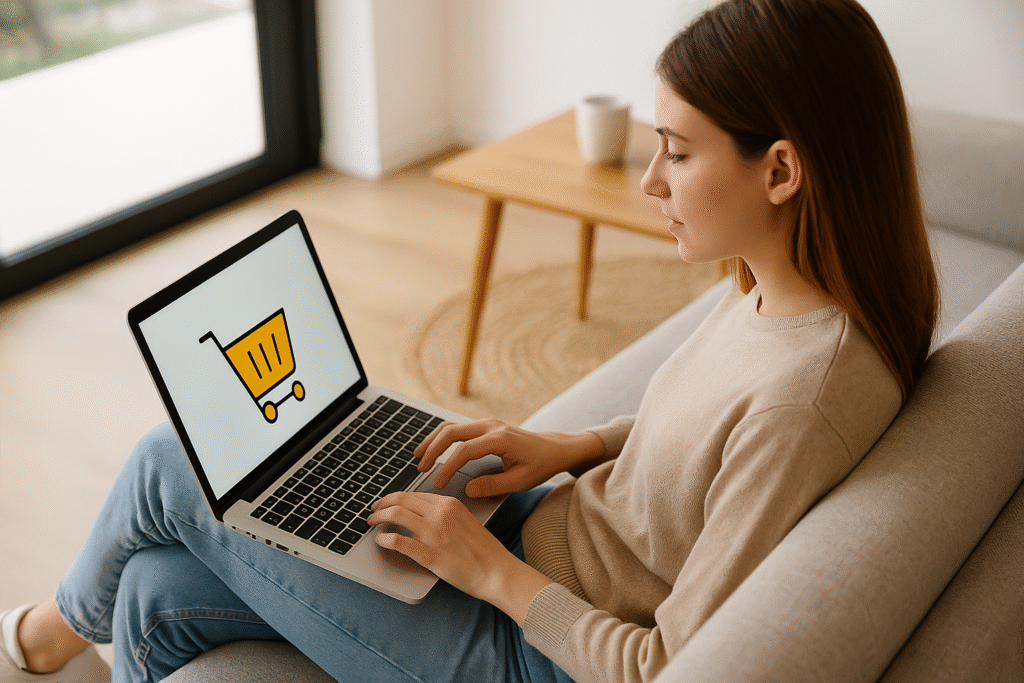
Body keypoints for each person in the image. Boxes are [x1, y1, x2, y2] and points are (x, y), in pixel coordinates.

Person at [1, 0, 939, 681]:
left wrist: (484, 568)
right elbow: (704, 448)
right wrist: (576, 444)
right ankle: (80, 638)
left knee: (176, 460)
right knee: (153, 595)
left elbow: (664, 667)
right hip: (543, 532)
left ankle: (41, 639)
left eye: (679, 151)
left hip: (537, 647)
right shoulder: (781, 291)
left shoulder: (802, 399)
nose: (650, 178)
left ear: (780, 170)